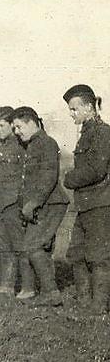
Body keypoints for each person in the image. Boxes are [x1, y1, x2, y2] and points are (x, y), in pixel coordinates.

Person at [11, 106, 70, 307]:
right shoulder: (31, 145)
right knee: (38, 247)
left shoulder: (46, 143)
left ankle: (51, 293)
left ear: (31, 122)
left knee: (34, 246)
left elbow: (48, 177)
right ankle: (44, 291)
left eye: (19, 127)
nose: (17, 132)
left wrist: (33, 204)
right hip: (40, 204)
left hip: (51, 203)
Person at [62, 84, 110, 314]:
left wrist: (69, 179)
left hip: (100, 203)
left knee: (98, 256)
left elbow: (97, 170)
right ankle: (84, 301)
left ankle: (98, 306)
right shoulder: (87, 132)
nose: (71, 113)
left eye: (74, 109)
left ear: (89, 107)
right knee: (76, 253)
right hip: (86, 204)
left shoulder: (102, 132)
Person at [0, 106, 31, 296]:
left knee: (20, 245)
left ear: (12, 125)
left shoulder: (21, 145)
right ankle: (7, 285)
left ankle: (28, 287)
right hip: (0, 201)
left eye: (2, 125)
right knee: (4, 245)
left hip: (13, 202)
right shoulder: (0, 144)